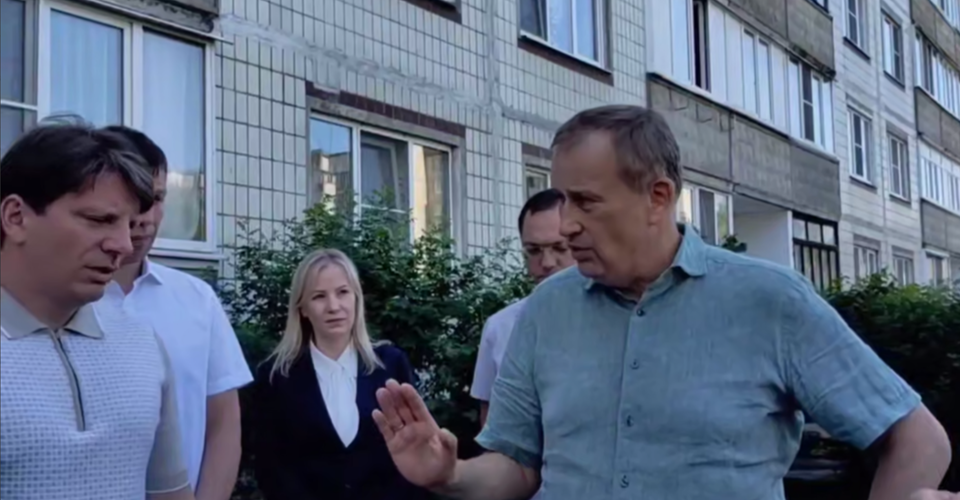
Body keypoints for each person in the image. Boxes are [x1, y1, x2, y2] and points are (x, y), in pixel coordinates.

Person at [371, 105, 953, 500]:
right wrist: (450, 475)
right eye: (561, 200)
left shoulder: (769, 301)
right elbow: (518, 465)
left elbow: (917, 439)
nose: (566, 224)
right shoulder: (547, 311)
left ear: (658, 196)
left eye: (586, 202)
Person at [0, 123, 194, 500]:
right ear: (15, 217)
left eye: (128, 224)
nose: (123, 244)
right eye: (99, 220)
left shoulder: (143, 345)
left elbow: (170, 493)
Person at [96, 125, 252, 499]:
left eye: (156, 197)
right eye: (132, 197)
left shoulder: (197, 300)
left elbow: (224, 424)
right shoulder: (59, 301)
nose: (144, 217)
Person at [251, 249, 428, 500]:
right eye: (319, 296)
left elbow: (416, 451)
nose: (333, 306)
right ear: (302, 308)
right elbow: (271, 467)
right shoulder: (276, 377)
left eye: (343, 292)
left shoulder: (391, 365)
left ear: (356, 298)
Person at [470, 188, 574, 427]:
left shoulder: (616, 319)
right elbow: (491, 426)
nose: (547, 262)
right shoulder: (500, 327)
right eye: (534, 251)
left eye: (560, 248)